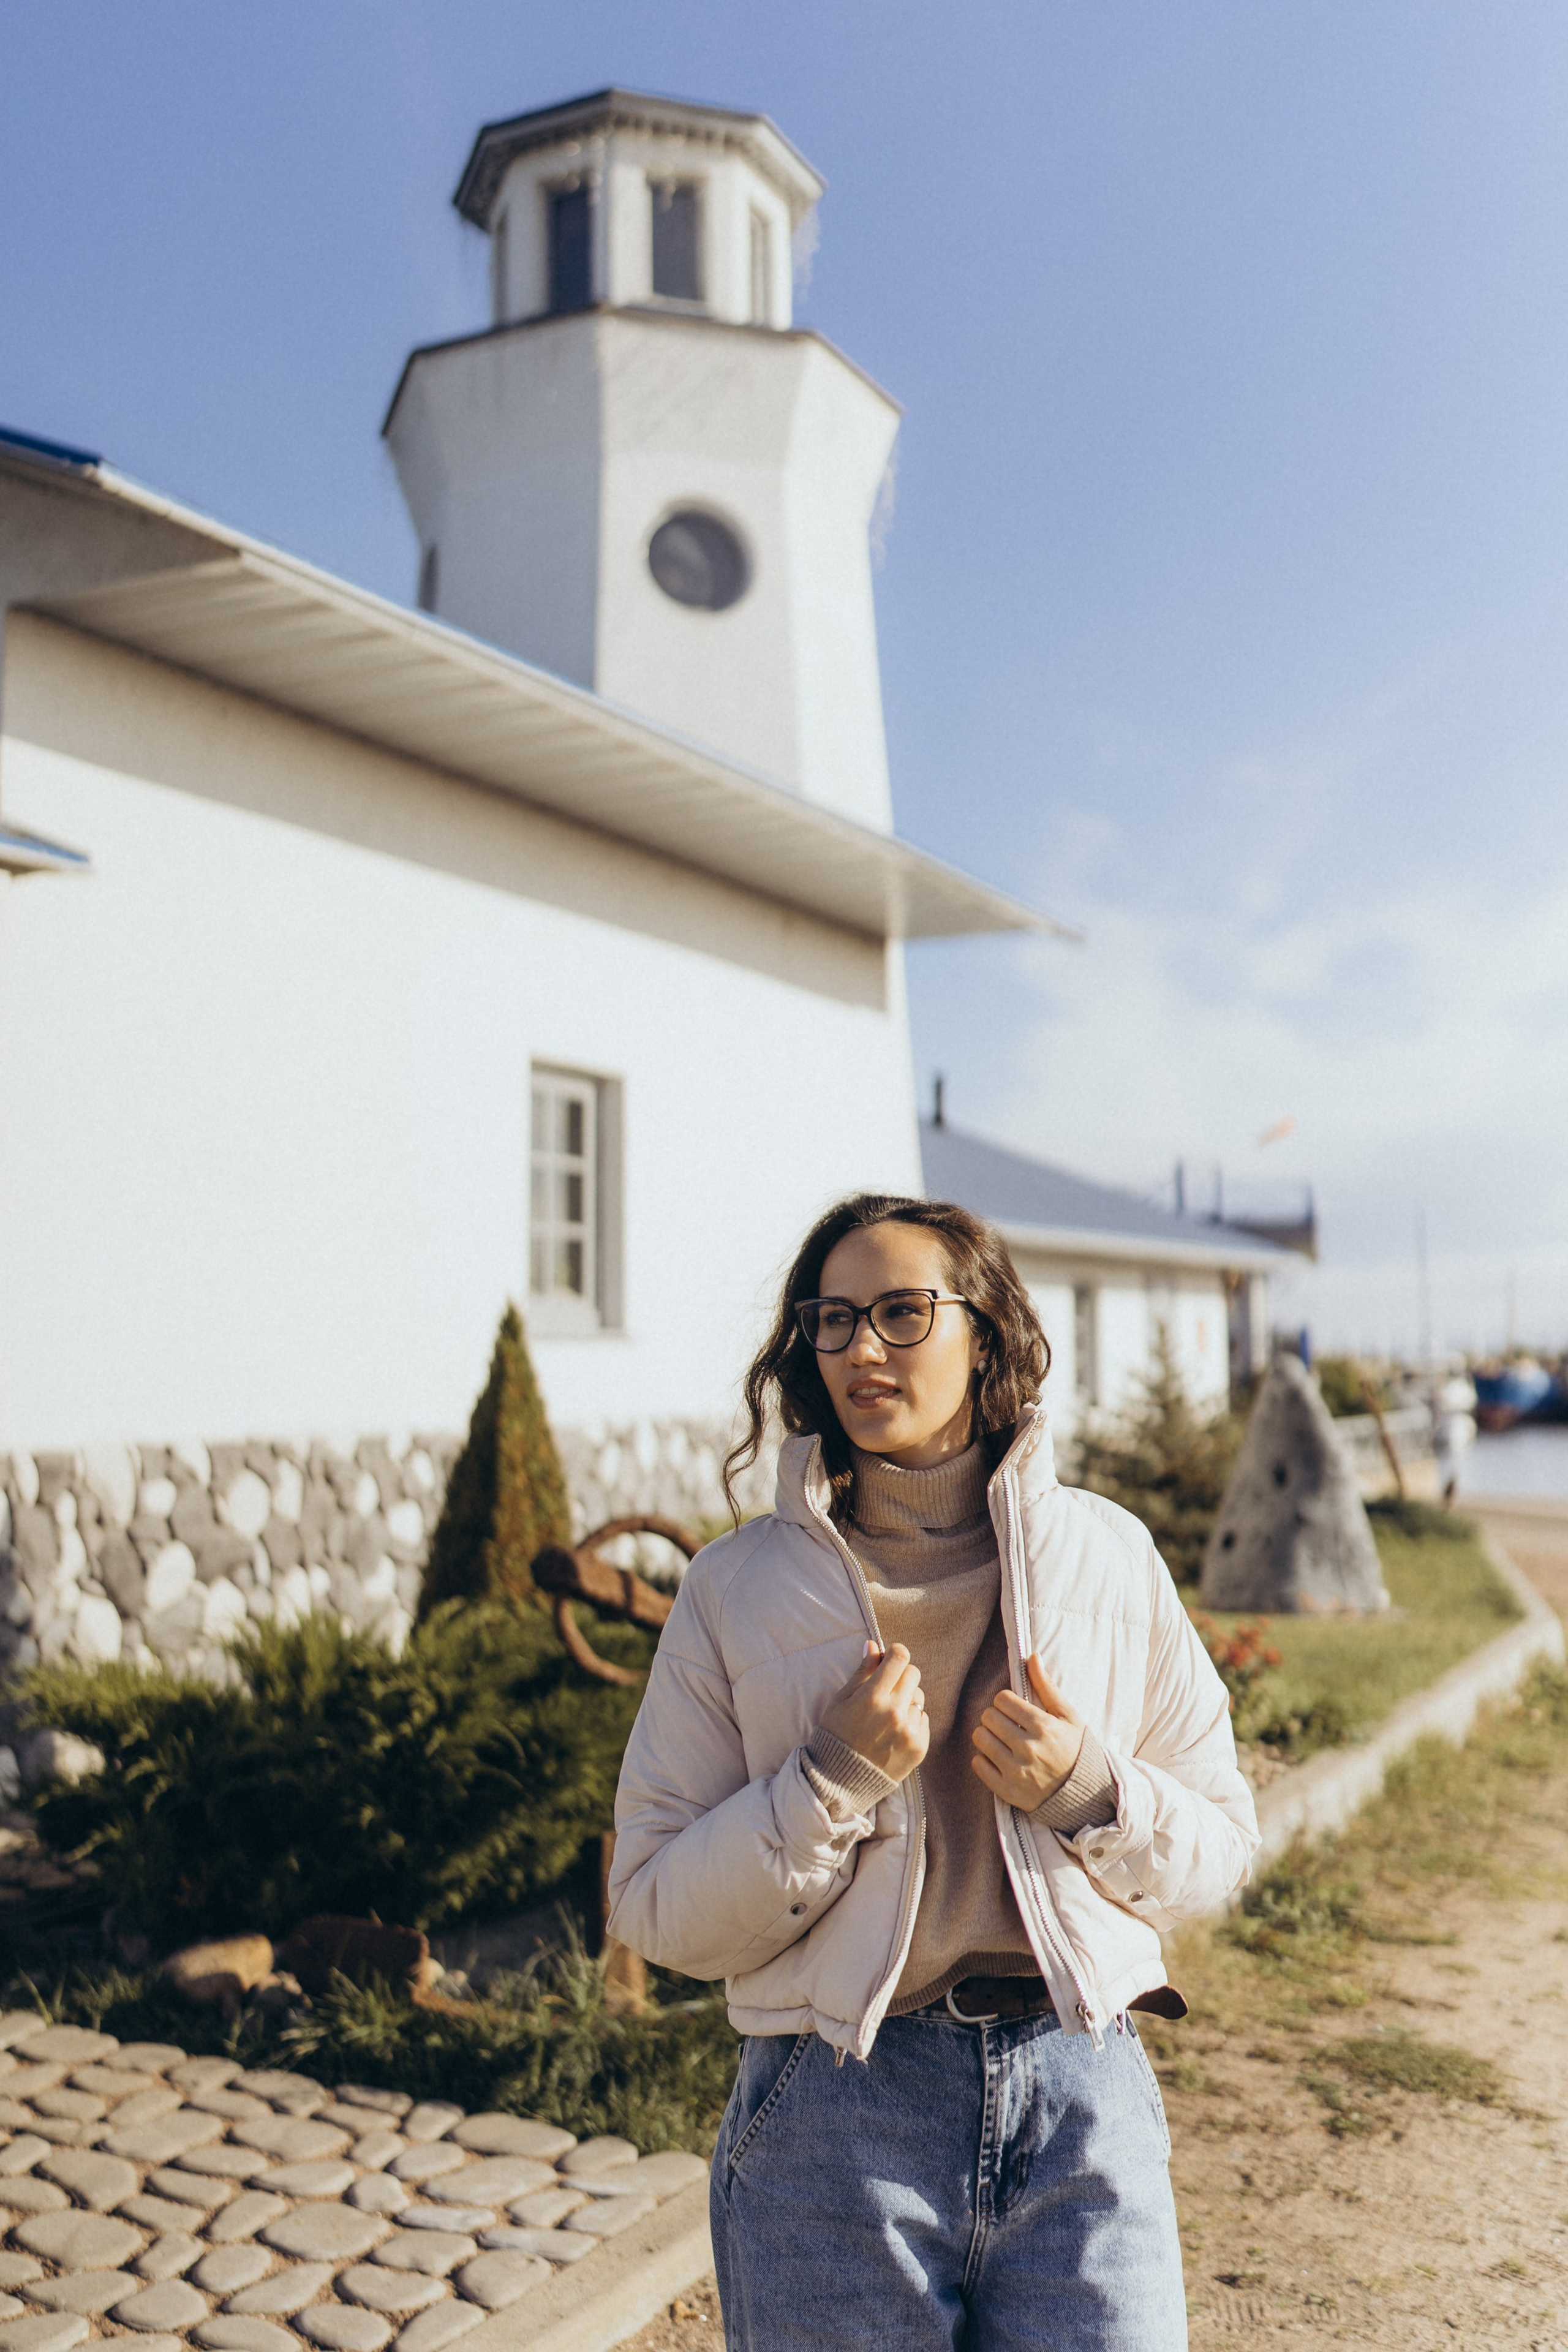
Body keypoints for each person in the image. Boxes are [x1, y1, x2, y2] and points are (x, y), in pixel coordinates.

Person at [608, 1194, 1259, 2352]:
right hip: (833, 2115)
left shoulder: (1110, 1556)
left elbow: (1221, 1846)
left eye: (904, 1312)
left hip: (1081, 2093)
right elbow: (654, 1905)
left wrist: (1094, 1794)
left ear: (985, 1333)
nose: (864, 1348)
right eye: (834, 1318)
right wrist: (827, 1783)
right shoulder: (733, 1591)